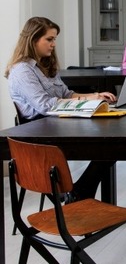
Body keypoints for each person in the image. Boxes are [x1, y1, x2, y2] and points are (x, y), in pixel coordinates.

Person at [5, 16, 117, 202]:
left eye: (54, 39)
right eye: (49, 39)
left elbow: (66, 94)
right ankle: (80, 193)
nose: (54, 44)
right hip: (41, 131)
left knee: (112, 141)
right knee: (109, 145)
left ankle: (80, 192)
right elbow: (45, 105)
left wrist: (95, 96)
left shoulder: (45, 65)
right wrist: (83, 103)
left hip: (58, 123)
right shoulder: (22, 70)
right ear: (33, 39)